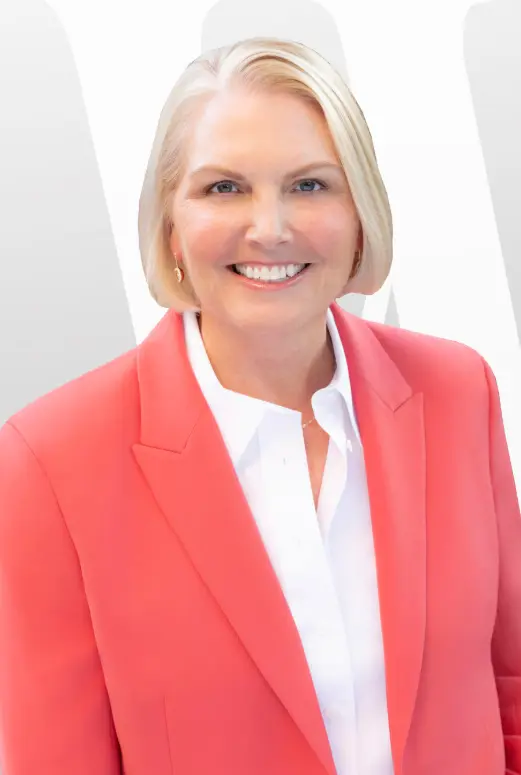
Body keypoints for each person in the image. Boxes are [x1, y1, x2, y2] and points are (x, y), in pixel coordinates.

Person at [0, 36, 519, 775]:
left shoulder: (459, 392)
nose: (270, 227)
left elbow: (511, 688)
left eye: (309, 185)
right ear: (170, 226)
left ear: (360, 214)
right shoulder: (51, 461)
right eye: (223, 188)